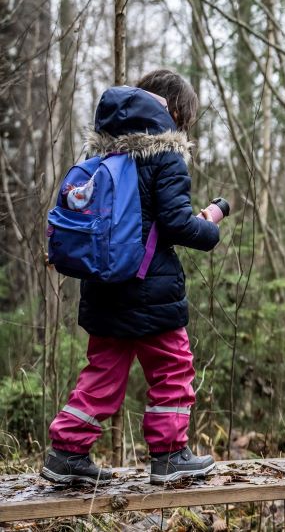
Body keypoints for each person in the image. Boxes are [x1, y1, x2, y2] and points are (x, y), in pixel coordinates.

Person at [41, 70, 222, 485]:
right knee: (173, 370)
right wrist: (210, 230)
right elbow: (176, 224)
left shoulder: (99, 156)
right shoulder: (165, 157)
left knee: (102, 373)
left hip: (103, 287)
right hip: (151, 292)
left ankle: (66, 453)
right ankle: (170, 455)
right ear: (173, 111)